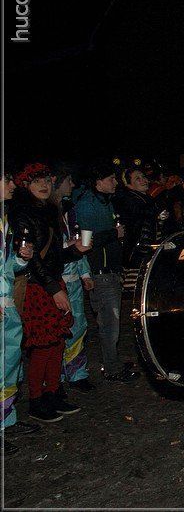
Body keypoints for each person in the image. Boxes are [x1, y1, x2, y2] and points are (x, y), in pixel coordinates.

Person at [10, 162, 88, 423]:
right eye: (36, 182)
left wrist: (75, 251)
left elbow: (52, 256)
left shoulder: (49, 210)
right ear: (25, 186)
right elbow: (30, 259)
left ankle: (52, 393)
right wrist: (53, 289)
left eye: (46, 181)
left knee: (57, 342)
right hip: (37, 286)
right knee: (42, 345)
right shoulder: (23, 213)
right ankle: (36, 400)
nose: (43, 186)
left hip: (52, 282)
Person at [73, 162, 139, 383]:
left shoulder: (105, 202)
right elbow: (86, 241)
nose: (115, 182)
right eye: (111, 178)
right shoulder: (87, 204)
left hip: (111, 270)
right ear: (98, 182)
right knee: (110, 323)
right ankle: (111, 368)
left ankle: (112, 362)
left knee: (113, 322)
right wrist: (113, 233)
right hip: (100, 272)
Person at [1, 166, 40, 455]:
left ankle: (7, 420)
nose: (13, 184)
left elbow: (6, 268)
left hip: (7, 306)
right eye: (6, 179)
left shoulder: (5, 220)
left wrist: (21, 259)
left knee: (10, 367)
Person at [49, 163, 96, 392]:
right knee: (56, 329)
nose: (73, 184)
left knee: (78, 326)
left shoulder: (68, 210)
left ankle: (77, 373)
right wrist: (69, 246)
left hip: (73, 279)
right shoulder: (45, 212)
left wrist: (85, 273)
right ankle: (54, 377)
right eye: (69, 180)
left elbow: (77, 243)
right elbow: (48, 251)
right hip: (56, 281)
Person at [113, 166, 161, 268]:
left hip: (149, 248)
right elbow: (140, 214)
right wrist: (157, 215)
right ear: (129, 185)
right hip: (138, 251)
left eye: (143, 177)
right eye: (137, 178)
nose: (143, 180)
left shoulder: (148, 198)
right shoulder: (128, 199)